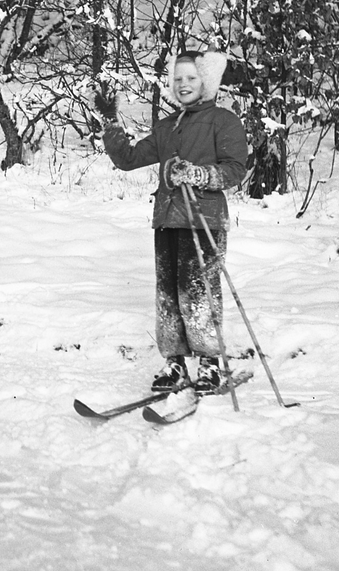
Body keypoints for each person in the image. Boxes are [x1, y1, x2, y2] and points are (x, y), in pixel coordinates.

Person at [94, 48, 248, 422]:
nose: (183, 85)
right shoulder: (167, 127)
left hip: (203, 221)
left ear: (206, 82)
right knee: (169, 297)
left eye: (191, 79)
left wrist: (199, 174)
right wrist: (110, 120)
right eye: (177, 79)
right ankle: (175, 363)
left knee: (198, 295)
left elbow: (235, 168)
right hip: (167, 219)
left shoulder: (222, 121)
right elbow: (129, 158)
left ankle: (210, 363)